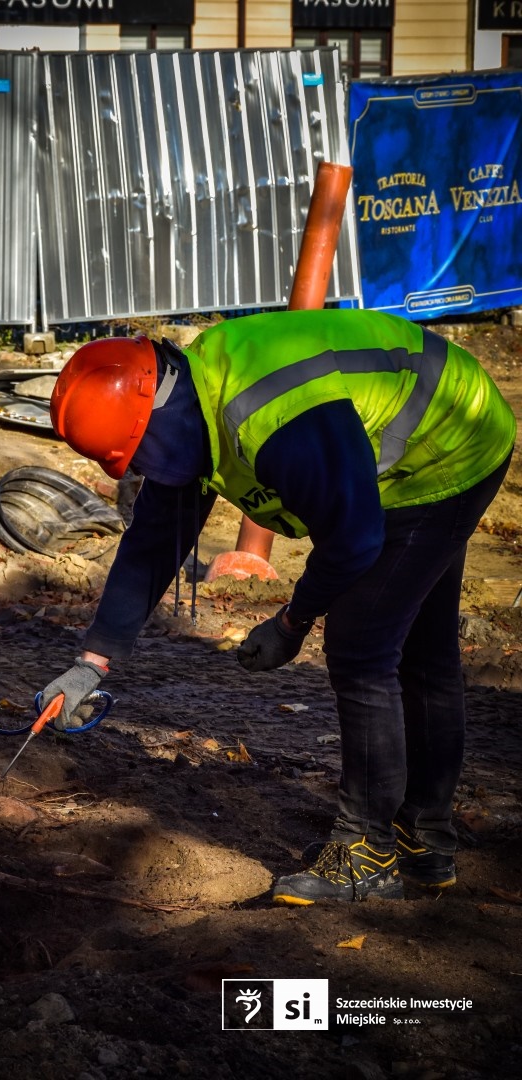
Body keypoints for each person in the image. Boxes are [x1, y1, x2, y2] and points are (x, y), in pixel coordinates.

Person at [42, 310, 516, 906]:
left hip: (449, 444)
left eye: (140, 457)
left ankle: (365, 852)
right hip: (434, 430)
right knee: (420, 650)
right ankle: (427, 842)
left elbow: (354, 540)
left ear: (156, 412)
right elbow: (153, 541)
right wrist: (94, 660)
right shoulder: (190, 399)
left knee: (362, 644)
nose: (141, 473)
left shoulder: (274, 420)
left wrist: (292, 622)